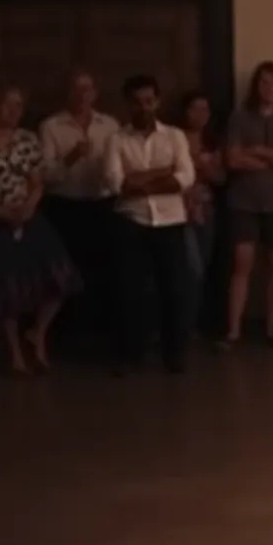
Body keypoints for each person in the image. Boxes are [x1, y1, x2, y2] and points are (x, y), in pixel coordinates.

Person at [103, 75, 195, 377]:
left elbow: (184, 178)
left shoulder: (175, 137)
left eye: (149, 101)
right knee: (130, 291)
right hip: (132, 220)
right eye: (137, 102)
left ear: (157, 101)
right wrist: (160, 175)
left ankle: (174, 353)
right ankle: (131, 354)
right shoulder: (116, 140)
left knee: (174, 290)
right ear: (127, 104)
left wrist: (141, 179)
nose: (144, 108)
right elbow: (118, 183)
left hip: (170, 221)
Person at [0, 83, 80, 374]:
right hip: (0, 218)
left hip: (29, 215)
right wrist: (4, 212)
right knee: (8, 287)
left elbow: (37, 181)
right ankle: (15, 353)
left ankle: (38, 333)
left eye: (19, 106)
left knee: (59, 275)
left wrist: (28, 208)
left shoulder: (27, 140)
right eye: (8, 104)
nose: (14, 111)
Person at [222, 61, 273, 349]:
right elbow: (233, 159)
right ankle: (233, 331)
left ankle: (272, 330)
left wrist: (257, 152)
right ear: (256, 87)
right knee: (242, 263)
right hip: (244, 200)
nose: (270, 89)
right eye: (264, 83)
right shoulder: (239, 118)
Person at [39, 69, 119, 336]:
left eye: (87, 89)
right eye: (77, 89)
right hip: (65, 207)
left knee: (103, 268)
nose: (82, 95)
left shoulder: (110, 125)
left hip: (103, 205)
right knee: (68, 271)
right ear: (68, 93)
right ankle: (67, 331)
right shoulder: (51, 126)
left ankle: (99, 330)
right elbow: (47, 176)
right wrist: (72, 156)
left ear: (95, 93)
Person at [178, 90, 225, 332]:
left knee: (202, 267)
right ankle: (180, 323)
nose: (200, 114)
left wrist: (202, 167)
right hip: (178, 210)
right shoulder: (174, 138)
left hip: (205, 210)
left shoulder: (213, 142)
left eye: (205, 109)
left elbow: (220, 177)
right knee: (190, 266)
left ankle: (193, 322)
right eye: (195, 108)